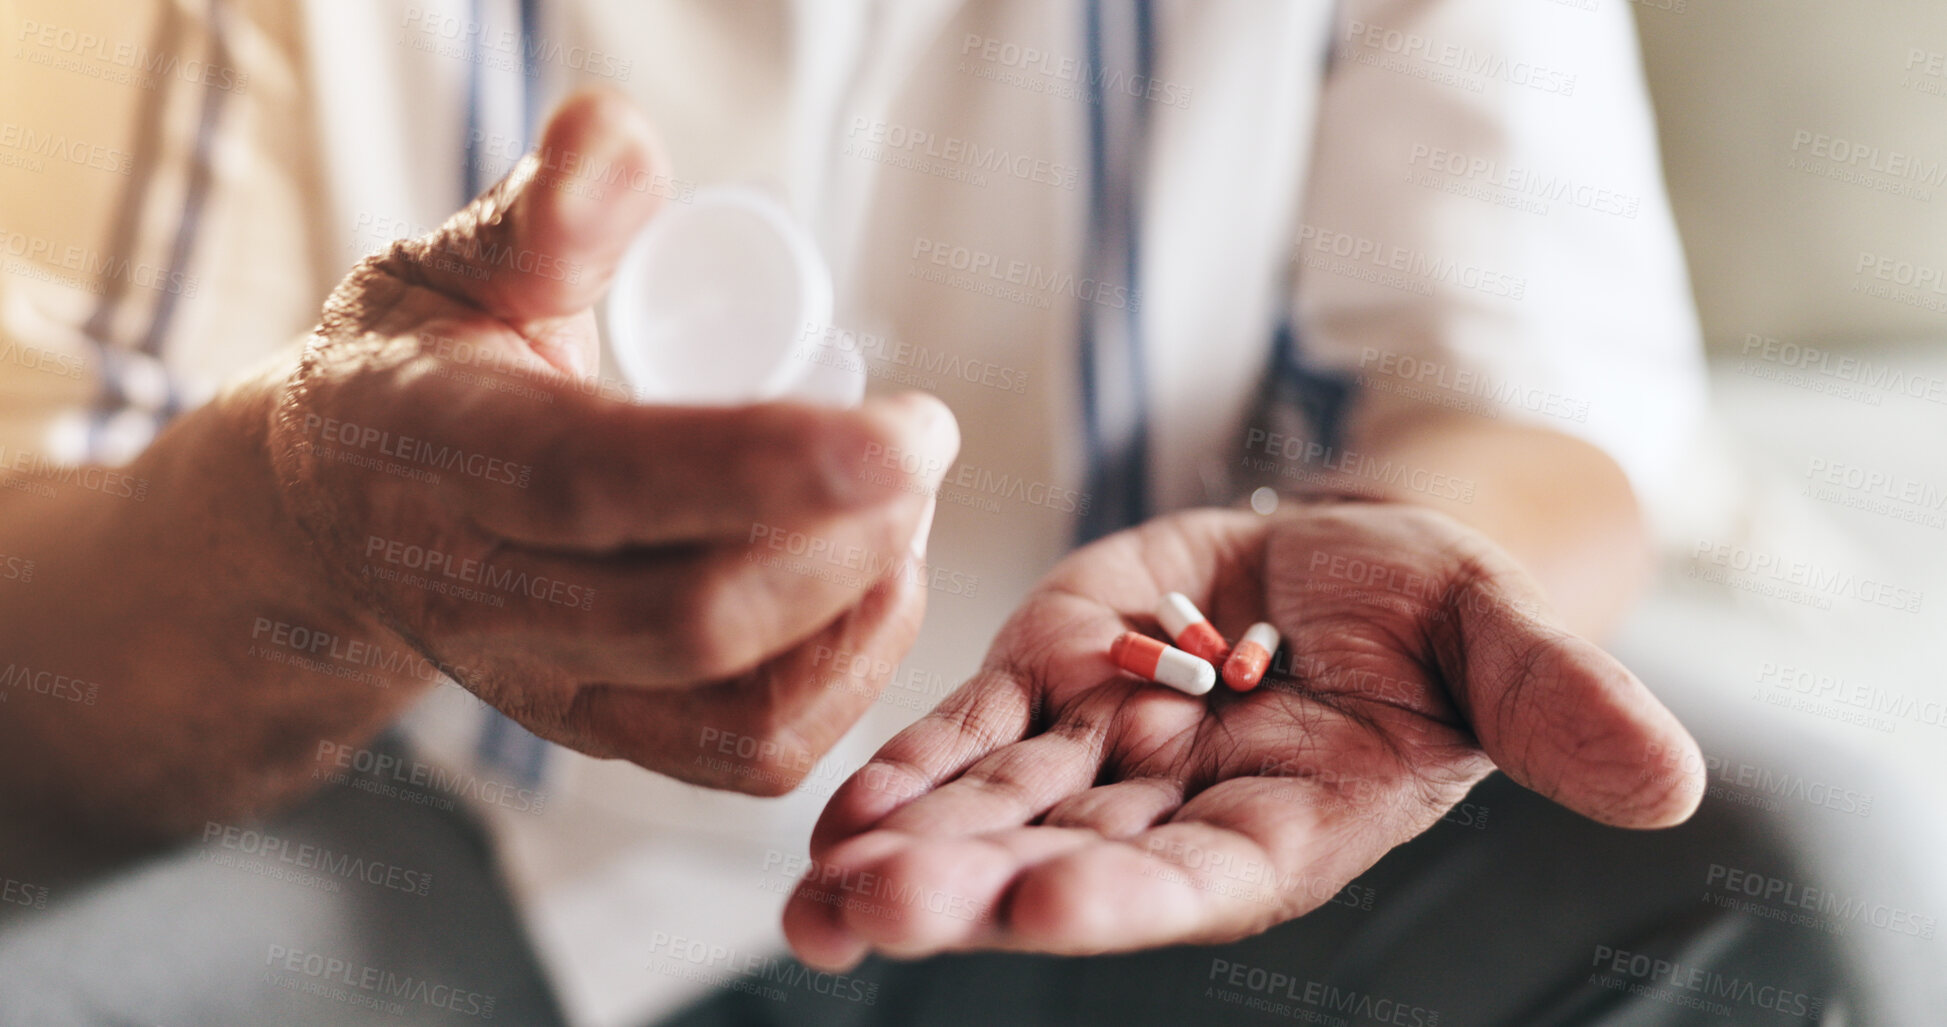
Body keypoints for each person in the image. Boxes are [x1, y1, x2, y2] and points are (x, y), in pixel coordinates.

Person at [0, 0, 1852, 1024]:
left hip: (1136, 865)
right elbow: (46, 622)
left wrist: (1413, 570)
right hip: (414, 832)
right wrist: (314, 519)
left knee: (1747, 884)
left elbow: (1539, 403)